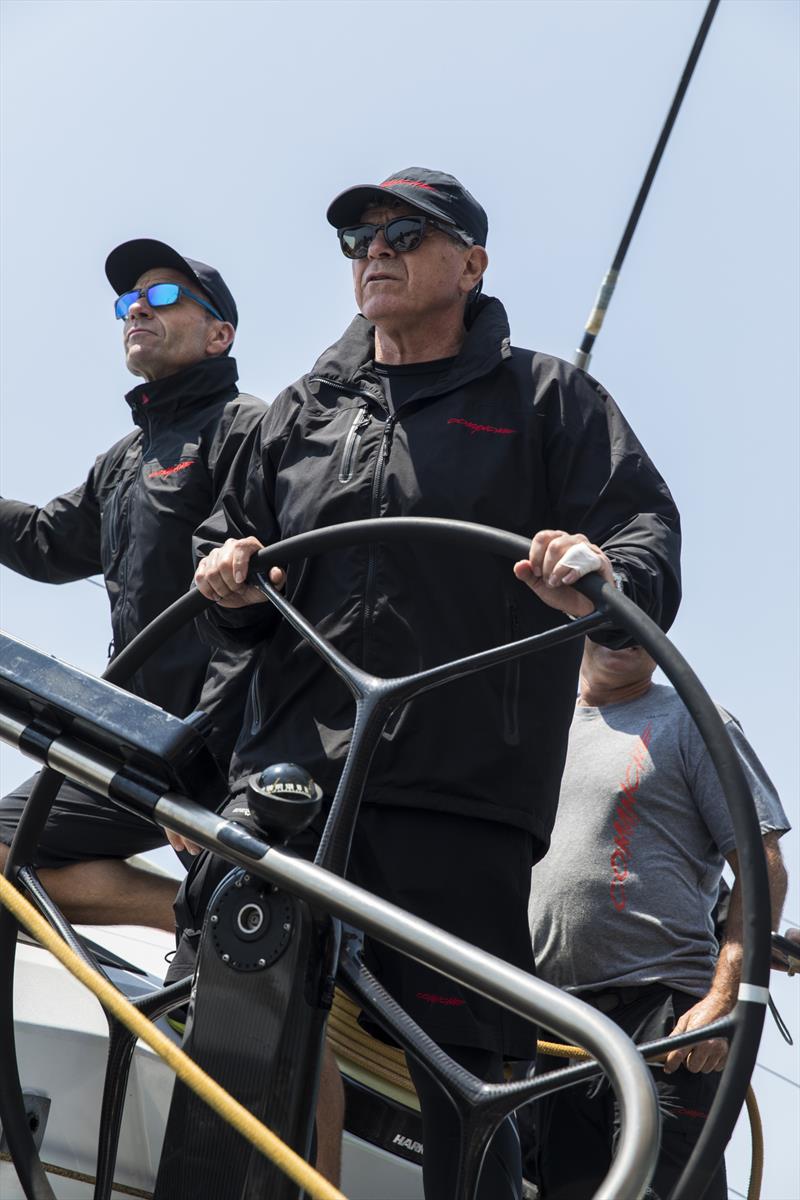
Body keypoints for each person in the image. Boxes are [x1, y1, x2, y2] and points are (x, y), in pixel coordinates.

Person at [180, 167, 683, 1199]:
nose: (375, 249)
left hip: (460, 796)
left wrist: (600, 574)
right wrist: (225, 571)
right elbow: (227, 545)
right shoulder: (297, 415)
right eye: (358, 237)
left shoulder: (546, 401)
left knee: (470, 1073)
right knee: (240, 1015)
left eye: (404, 232)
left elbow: (643, 534)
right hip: (291, 781)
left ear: (470, 263)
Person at [0, 239, 265, 932]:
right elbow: (42, 543)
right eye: (128, 300)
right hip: (131, 736)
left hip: (229, 748)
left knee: (270, 971)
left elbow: (266, 609)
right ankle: (181, 917)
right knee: (4, 851)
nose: (138, 307)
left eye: (166, 294)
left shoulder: (250, 428)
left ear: (219, 335)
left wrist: (193, 754)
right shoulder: (122, 459)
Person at [526, 639, 790, 1200]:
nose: (623, 636)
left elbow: (762, 864)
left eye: (642, 618)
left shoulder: (694, 719)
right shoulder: (540, 727)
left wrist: (725, 999)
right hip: (554, 1028)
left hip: (664, 1021)